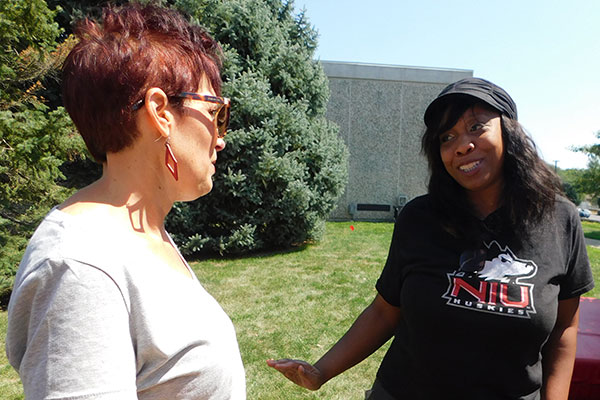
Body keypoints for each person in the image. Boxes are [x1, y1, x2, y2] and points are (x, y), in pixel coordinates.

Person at [267, 77, 595, 399]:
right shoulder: (419, 218)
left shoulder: (560, 220)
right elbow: (384, 311)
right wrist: (321, 372)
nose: (461, 146)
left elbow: (564, 329)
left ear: (509, 132)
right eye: (446, 137)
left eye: (476, 127)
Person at [5, 3, 245, 399]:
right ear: (160, 112)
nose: (220, 138)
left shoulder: (141, 234)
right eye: (215, 112)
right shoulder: (79, 266)